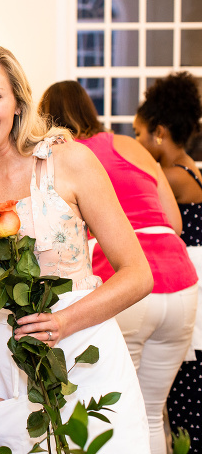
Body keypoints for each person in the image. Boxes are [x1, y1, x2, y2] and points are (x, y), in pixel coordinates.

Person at [0, 45, 151, 453]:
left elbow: (138, 274)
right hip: (7, 366)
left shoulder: (66, 160)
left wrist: (63, 322)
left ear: (18, 103)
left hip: (86, 353)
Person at [40, 79, 197, 454]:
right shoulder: (128, 144)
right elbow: (173, 221)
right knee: (154, 411)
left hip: (127, 284)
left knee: (121, 415)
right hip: (182, 283)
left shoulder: (65, 156)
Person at [131, 72, 202, 453]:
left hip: (183, 280)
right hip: (190, 278)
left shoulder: (170, 176)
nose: (139, 143)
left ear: (158, 133)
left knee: (176, 401)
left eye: (140, 134)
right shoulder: (191, 167)